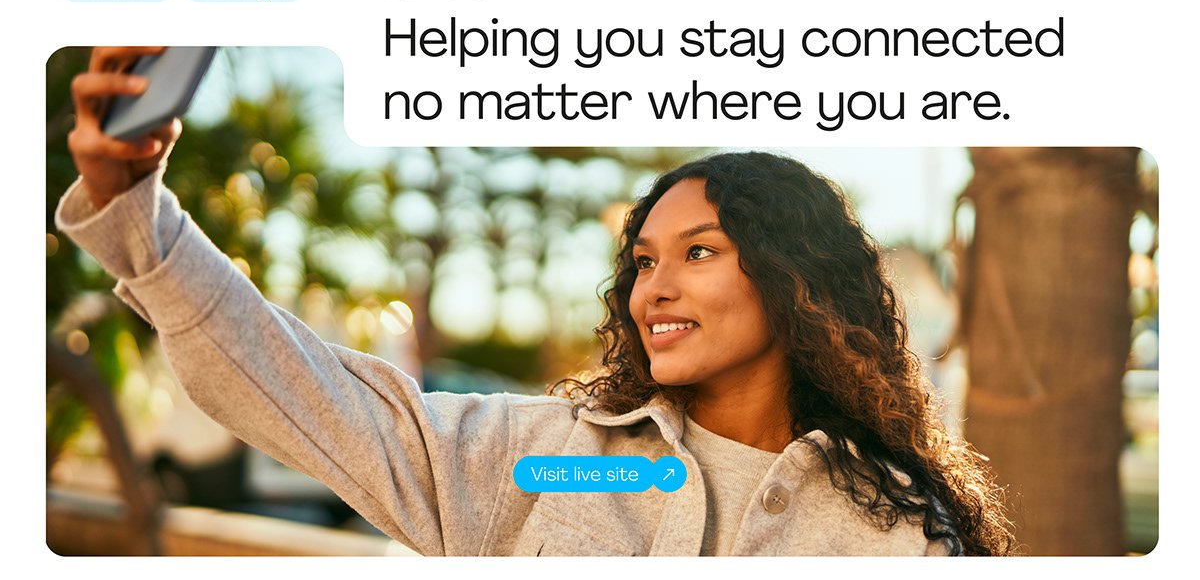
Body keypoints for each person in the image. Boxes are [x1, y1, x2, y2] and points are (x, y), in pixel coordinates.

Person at [56, 46, 1016, 556]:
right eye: (642, 261)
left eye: (699, 252)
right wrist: (135, 214)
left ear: (793, 282)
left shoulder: (898, 534)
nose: (657, 287)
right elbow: (305, 394)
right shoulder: (541, 458)